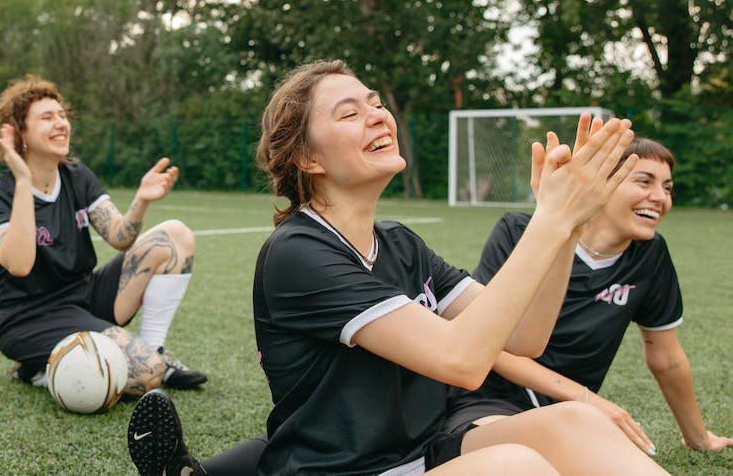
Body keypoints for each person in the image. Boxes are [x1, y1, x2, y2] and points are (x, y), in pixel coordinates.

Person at [127, 60, 668, 475]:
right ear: (308, 159)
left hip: (420, 454)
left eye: (375, 102)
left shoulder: (401, 244)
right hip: (345, 469)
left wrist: (567, 229)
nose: (378, 114)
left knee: (576, 420)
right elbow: (462, 361)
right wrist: (549, 220)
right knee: (514, 465)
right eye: (349, 113)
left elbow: (524, 338)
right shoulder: (298, 252)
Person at [443, 137, 733, 454]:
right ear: (599, 184)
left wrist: (699, 437)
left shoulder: (649, 254)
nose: (659, 197)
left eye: (667, 187)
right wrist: (586, 398)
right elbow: (491, 346)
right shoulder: (519, 231)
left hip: (571, 413)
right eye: (644, 181)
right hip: (488, 400)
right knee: (512, 457)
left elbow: (666, 357)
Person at [0, 75, 206, 396]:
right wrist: (21, 179)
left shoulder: (76, 175)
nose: (61, 123)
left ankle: (157, 349)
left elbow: (120, 237)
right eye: (47, 118)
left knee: (175, 235)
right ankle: (43, 369)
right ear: (20, 135)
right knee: (145, 375)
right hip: (28, 318)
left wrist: (141, 200)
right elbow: (18, 264)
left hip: (83, 299)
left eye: (62, 115)